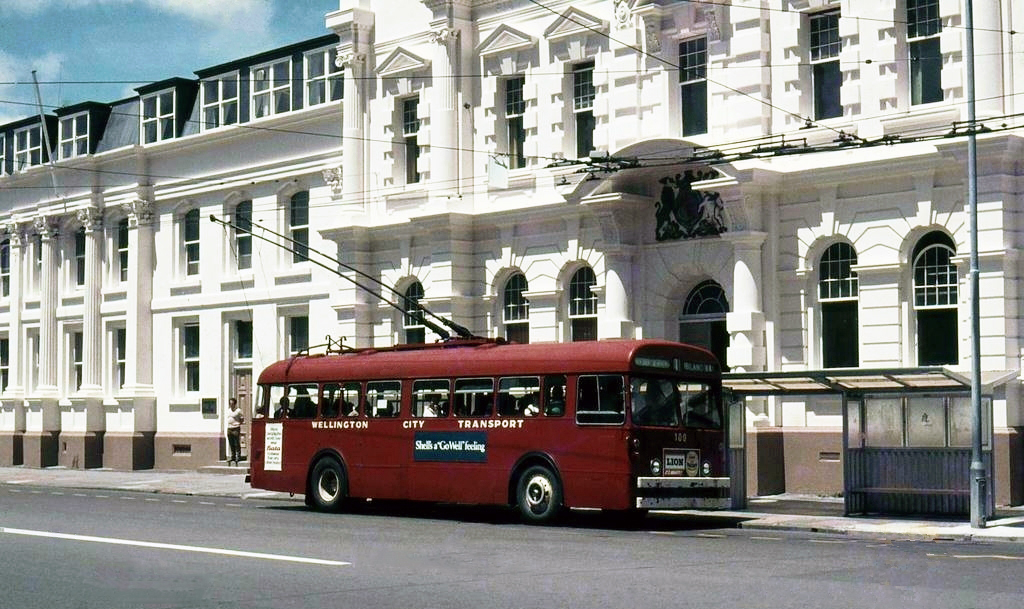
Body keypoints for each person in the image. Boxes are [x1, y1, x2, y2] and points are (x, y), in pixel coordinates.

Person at [226, 398, 244, 466]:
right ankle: (232, 456)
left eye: (232, 404)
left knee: (236, 443)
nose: (231, 405)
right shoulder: (228, 410)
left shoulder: (238, 411)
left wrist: (238, 424)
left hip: (236, 428)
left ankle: (238, 456)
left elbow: (242, 419)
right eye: (230, 404)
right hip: (229, 428)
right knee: (231, 443)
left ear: (235, 404)